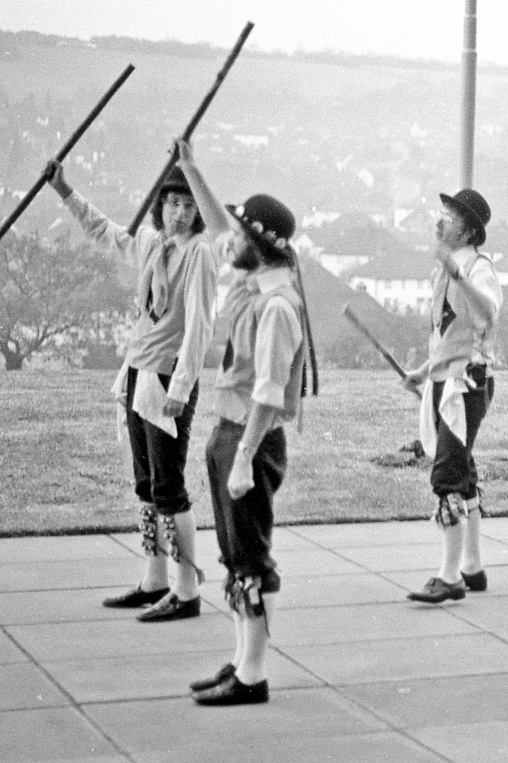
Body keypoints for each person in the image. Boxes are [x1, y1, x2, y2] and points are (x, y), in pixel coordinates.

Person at [46, 156, 216, 622]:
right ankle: (154, 579)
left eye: (187, 205)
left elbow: (200, 324)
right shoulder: (150, 244)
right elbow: (104, 232)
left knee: (169, 487)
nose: (179, 213)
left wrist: (182, 384)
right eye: (171, 203)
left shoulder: (199, 253)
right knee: (146, 485)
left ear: (196, 211)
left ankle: (186, 590)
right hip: (139, 373)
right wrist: (65, 191)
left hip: (168, 379)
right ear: (160, 206)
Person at [170, 141, 308, 705]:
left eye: (242, 236)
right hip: (228, 435)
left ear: (261, 247)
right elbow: (221, 223)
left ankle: (252, 675)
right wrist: (189, 168)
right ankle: (239, 662)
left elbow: (270, 394)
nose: (230, 240)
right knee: (234, 556)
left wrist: (245, 458)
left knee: (251, 558)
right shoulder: (255, 282)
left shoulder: (277, 307)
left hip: (249, 441)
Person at [402, 188, 502, 604]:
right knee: (464, 469)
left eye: (449, 215)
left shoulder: (477, 268)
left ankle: (449, 576)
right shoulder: (443, 270)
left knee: (447, 474)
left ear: (468, 230)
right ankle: (471, 567)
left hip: (468, 382)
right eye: (440, 212)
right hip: (447, 377)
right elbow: (449, 333)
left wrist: (458, 274)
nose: (439, 221)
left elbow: (487, 311)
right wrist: (425, 371)